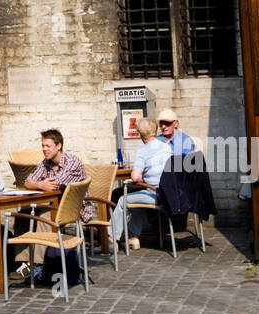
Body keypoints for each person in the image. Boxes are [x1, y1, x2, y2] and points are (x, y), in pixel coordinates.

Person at [111, 109, 195, 248]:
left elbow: (137, 176)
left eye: (167, 123)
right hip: (169, 192)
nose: (164, 126)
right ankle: (134, 237)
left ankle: (110, 236)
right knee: (134, 199)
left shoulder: (182, 142)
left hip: (166, 194)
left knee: (123, 199)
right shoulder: (166, 145)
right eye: (161, 123)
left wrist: (143, 176)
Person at [24, 128, 91, 285]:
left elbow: (54, 186)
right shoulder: (46, 163)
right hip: (55, 204)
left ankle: (39, 265)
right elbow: (28, 181)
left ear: (59, 146)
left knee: (43, 216)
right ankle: (24, 262)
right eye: (43, 146)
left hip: (74, 208)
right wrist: (40, 183)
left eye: (48, 146)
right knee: (23, 214)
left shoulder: (72, 162)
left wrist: (39, 184)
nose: (44, 149)